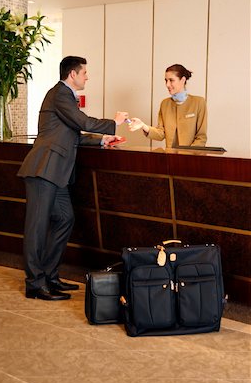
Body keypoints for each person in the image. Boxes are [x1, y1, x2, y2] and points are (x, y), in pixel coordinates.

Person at [17, 56, 129, 301]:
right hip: (43, 171)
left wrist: (102, 140)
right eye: (85, 72)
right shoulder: (60, 94)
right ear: (72, 74)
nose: (87, 76)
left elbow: (73, 135)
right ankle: (35, 284)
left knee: (65, 219)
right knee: (36, 229)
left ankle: (48, 275)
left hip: (57, 174)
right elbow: (83, 122)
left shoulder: (66, 97)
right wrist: (114, 123)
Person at [129, 64, 207, 148]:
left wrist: (187, 155)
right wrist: (143, 125)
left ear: (183, 80)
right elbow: (161, 134)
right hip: (170, 157)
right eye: (166, 80)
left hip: (191, 158)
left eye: (171, 80)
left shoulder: (198, 102)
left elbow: (201, 137)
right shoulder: (165, 104)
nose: (167, 84)